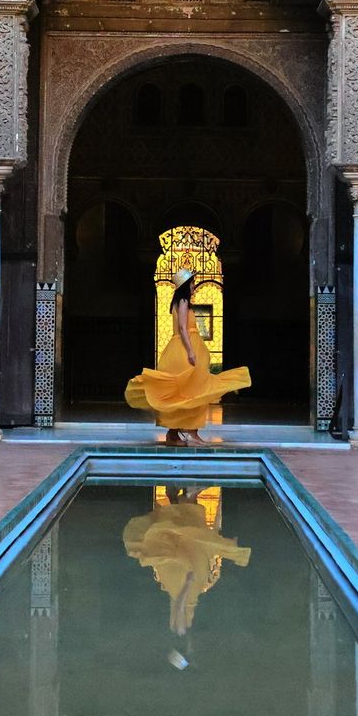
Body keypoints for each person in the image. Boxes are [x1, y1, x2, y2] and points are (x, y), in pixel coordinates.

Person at [124, 268, 250, 446]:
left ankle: (174, 434)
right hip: (184, 350)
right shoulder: (183, 301)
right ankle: (190, 431)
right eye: (191, 283)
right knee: (194, 391)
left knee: (185, 392)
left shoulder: (179, 301)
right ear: (185, 285)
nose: (194, 287)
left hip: (181, 348)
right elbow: (183, 328)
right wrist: (191, 351)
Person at [122, 485, 251, 659]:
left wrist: (189, 582)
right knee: (180, 538)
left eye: (189, 650)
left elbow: (180, 606)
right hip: (172, 581)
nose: (192, 647)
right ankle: (176, 497)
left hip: (185, 584)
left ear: (184, 648)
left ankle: (190, 495)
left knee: (192, 541)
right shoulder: (172, 629)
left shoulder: (182, 631)